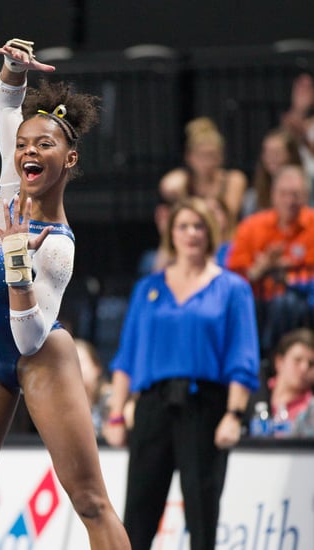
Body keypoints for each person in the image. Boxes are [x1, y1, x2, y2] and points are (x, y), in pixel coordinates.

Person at [0, 39, 131, 550]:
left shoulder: (58, 248)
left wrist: (18, 265)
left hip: (40, 357)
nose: (28, 152)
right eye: (23, 144)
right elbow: (6, 104)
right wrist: (12, 70)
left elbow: (30, 340)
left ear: (69, 158)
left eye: (43, 145)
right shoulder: (7, 185)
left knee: (90, 502)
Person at [104, 197, 260, 550]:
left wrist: (234, 414)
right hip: (153, 408)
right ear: (170, 233)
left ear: (211, 232)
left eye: (199, 225)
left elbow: (243, 355)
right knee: (138, 518)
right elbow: (127, 355)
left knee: (202, 518)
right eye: (183, 226)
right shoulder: (149, 288)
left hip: (205, 406)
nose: (191, 233)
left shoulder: (232, 289)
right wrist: (115, 413)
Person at [227, 164, 314, 352]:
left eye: (296, 194)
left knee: (286, 303)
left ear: (306, 196)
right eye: (284, 194)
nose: (289, 201)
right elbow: (232, 278)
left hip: (301, 305)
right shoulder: (251, 227)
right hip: (257, 302)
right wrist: (263, 266)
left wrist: (287, 275)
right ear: (273, 195)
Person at [159, 116, 248, 220]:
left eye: (212, 155)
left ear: (221, 156)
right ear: (189, 157)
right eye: (201, 155)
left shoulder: (233, 179)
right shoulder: (183, 181)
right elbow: (167, 186)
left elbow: (228, 215)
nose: (207, 162)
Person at [248, 328, 314, 426]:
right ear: (279, 362)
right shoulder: (252, 389)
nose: (304, 368)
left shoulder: (310, 410)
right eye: (297, 360)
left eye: (311, 364)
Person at [241, 127, 303, 218]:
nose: (271, 158)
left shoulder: (307, 182)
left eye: (276, 153)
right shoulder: (253, 198)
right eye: (267, 152)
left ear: (291, 155)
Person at [280, 72, 314, 185]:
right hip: (291, 178)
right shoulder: (287, 119)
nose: (302, 92)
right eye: (299, 86)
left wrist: (303, 137)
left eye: (307, 87)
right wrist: (298, 110)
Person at [74, 338, 112, 439]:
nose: (75, 368)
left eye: (80, 361)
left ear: (97, 367)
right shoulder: (64, 404)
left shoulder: (112, 398)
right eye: (69, 363)